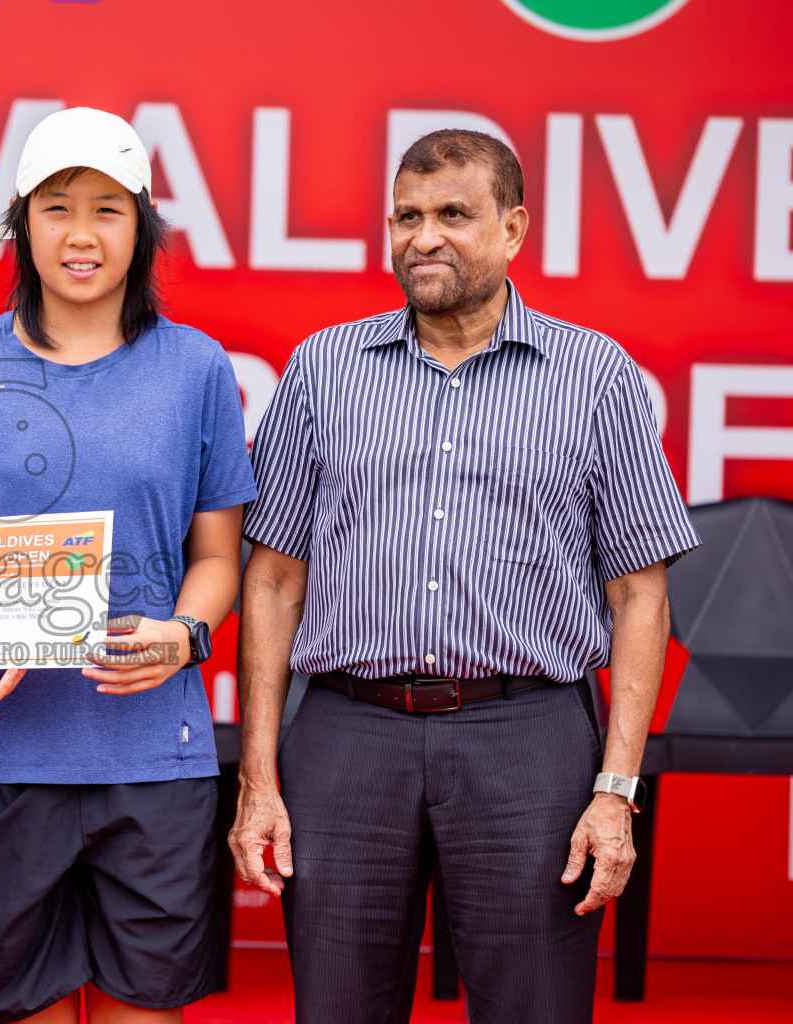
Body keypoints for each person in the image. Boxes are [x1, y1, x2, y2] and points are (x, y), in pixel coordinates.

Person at [231, 129, 701, 1023]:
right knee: (335, 1009)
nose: (424, 237)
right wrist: (259, 780)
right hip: (345, 737)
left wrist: (615, 793)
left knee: (534, 1008)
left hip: (529, 738)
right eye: (407, 216)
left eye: (454, 214)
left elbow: (640, 594)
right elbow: (274, 579)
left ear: (515, 227)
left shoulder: (595, 377)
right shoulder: (323, 369)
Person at [0, 107, 257, 1024]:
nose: (83, 235)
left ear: (144, 228)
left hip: (155, 763)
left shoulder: (197, 368)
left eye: (109, 209)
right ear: (20, 225)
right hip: (0, 760)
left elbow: (217, 555)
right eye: (57, 208)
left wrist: (185, 633)